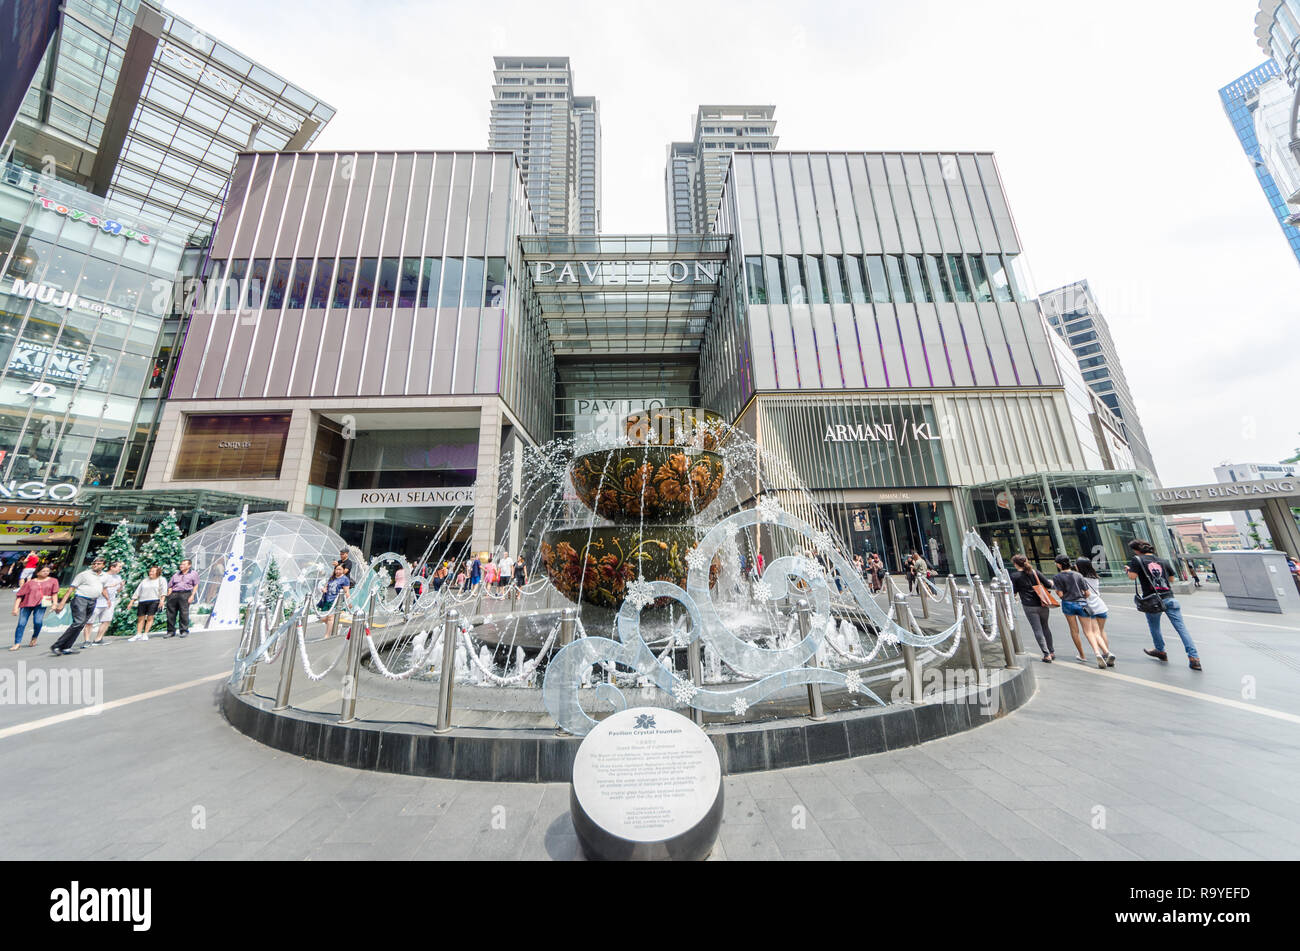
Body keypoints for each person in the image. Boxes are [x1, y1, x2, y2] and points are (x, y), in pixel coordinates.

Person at [1127, 539, 1201, 670]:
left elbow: (1132, 577)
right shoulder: (1163, 561)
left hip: (1152, 600)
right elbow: (1171, 579)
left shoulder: (1137, 560)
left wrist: (1128, 570)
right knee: (1181, 629)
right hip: (1170, 598)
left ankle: (1160, 651)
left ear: (1137, 550)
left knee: (1155, 627)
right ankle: (1194, 658)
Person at [1052, 554, 1110, 668]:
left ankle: (1082, 655)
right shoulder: (1078, 575)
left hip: (1068, 604)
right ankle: (1099, 653)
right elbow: (1087, 593)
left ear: (1059, 565)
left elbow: (1060, 594)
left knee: (1074, 631)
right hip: (1082, 604)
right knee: (1089, 632)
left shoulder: (1057, 577)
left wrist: (1060, 593)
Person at [50, 557, 106, 655]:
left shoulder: (104, 576)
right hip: (81, 599)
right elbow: (71, 589)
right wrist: (62, 603)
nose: (96, 565)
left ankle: (67, 647)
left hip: (93, 601)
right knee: (78, 622)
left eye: (99, 564)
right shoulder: (84, 574)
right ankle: (57, 645)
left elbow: (103, 588)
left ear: (103, 565)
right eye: (94, 563)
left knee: (81, 624)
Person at [1010, 554, 1056, 663]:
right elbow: (1048, 584)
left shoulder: (1015, 576)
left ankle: (1046, 654)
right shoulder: (1035, 572)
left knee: (1037, 629)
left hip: (1029, 605)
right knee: (1045, 627)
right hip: (1042, 603)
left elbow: (1014, 591)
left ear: (1016, 564)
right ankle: (1052, 651)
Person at [11, 563, 59, 650]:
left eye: (47, 571)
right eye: (43, 571)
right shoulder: (30, 583)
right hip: (26, 604)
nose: (46, 572)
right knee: (21, 623)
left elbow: (54, 593)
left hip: (42, 604)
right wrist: (15, 608)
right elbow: (20, 595)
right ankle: (17, 643)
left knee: (38, 622)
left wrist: (55, 604)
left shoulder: (53, 581)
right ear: (38, 572)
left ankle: (35, 636)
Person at [1074, 557, 1112, 662]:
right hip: (1101, 606)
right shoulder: (1095, 577)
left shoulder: (1079, 578)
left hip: (1090, 608)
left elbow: (1083, 594)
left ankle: (1106, 653)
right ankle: (1106, 653)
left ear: (1079, 566)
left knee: (1095, 632)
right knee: (1101, 631)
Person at [86, 559, 125, 646]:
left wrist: (121, 586)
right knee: (90, 621)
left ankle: (98, 639)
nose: (120, 569)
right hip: (98, 601)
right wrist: (107, 598)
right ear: (112, 567)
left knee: (106, 620)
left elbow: (118, 591)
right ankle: (87, 640)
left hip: (110, 602)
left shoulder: (118, 577)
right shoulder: (104, 576)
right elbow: (102, 588)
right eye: (119, 567)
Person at [127, 565, 166, 641]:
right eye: (150, 571)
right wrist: (131, 602)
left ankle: (145, 634)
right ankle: (138, 634)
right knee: (140, 618)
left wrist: (162, 600)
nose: (151, 573)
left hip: (154, 600)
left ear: (158, 572)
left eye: (153, 571)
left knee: (150, 617)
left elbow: (163, 591)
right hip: (143, 600)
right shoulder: (145, 580)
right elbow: (138, 591)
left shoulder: (161, 580)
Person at [165, 558, 200, 638]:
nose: (181, 566)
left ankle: (184, 630)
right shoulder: (176, 574)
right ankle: (170, 631)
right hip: (174, 594)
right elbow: (170, 585)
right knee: (170, 613)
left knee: (184, 613)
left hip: (185, 593)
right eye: (181, 564)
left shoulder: (193, 574)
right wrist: (169, 594)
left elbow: (196, 585)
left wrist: (192, 595)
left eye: (184, 564)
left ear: (189, 565)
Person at [318, 564, 352, 637]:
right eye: (336, 569)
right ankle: (337, 625)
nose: (338, 571)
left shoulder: (345, 579)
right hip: (327, 600)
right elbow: (326, 586)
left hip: (336, 601)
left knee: (330, 617)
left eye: (340, 569)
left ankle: (327, 635)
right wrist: (324, 589)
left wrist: (349, 602)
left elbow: (346, 591)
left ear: (343, 570)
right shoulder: (332, 578)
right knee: (323, 618)